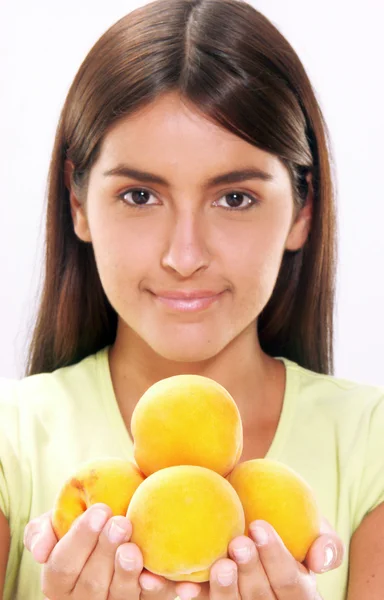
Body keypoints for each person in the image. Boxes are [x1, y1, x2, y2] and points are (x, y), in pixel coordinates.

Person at [1, 0, 383, 598]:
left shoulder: (373, 448)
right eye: (139, 196)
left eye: (233, 199)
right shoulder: (10, 443)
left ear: (302, 211)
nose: (184, 256)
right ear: (78, 204)